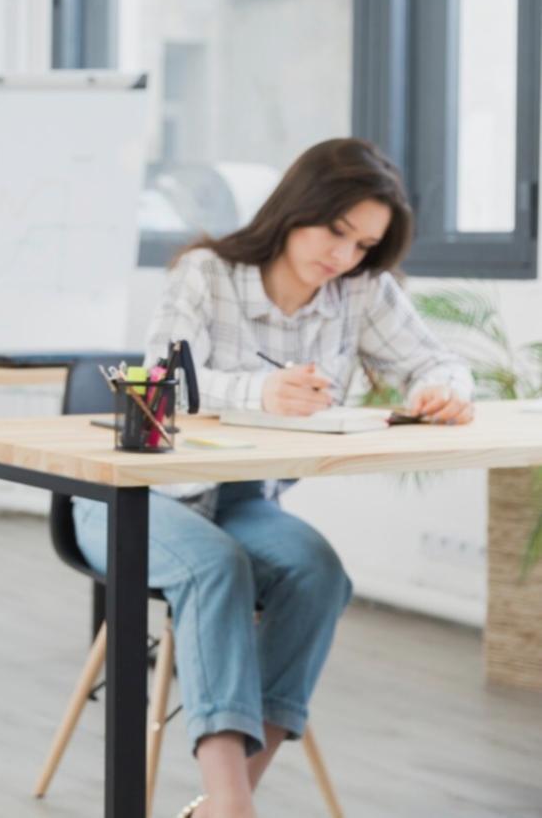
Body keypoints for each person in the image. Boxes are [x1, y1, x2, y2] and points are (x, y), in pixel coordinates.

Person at [73, 138, 474, 818]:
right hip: (133, 493)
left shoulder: (358, 291)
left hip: (238, 497)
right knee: (215, 568)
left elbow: (437, 360)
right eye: (335, 230)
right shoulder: (205, 272)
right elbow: (159, 388)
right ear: (297, 207)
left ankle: (223, 800)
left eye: (362, 245)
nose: (341, 255)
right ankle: (232, 804)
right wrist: (260, 390)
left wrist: (441, 390)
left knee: (317, 572)